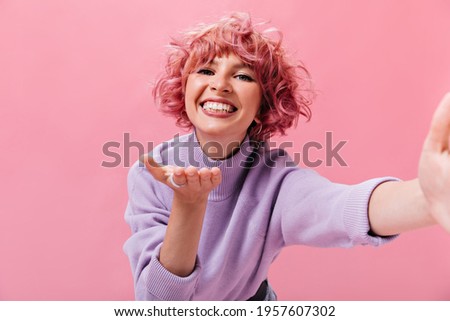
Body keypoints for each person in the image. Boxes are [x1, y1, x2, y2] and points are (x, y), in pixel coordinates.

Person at [123, 12, 450, 300]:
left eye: (242, 76)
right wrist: (189, 205)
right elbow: (161, 303)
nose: (220, 85)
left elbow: (338, 207)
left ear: (262, 106)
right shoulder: (150, 174)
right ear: (184, 88)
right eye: (205, 71)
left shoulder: (274, 180)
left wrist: (426, 197)